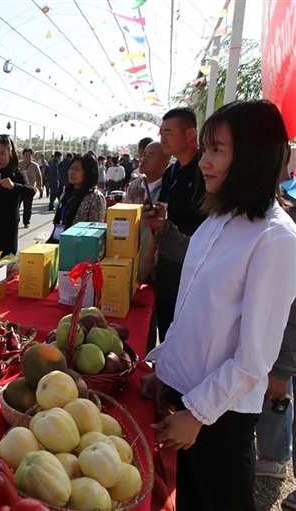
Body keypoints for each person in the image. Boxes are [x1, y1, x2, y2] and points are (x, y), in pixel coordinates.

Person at [143, 100, 296, 511]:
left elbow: (254, 359)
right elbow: (193, 314)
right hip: (188, 400)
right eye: (206, 149)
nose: (204, 162)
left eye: (217, 150)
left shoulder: (275, 238)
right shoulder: (217, 220)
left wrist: (197, 414)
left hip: (220, 418)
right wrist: (165, 372)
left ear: (252, 156)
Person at [144, 107, 206, 344]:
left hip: (195, 266)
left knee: (188, 336)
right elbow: (166, 215)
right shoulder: (172, 172)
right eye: (161, 132)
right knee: (166, 328)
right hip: (168, 264)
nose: (163, 138)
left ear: (190, 134)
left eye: (168, 132)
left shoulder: (205, 170)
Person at [254, 163, 296, 505]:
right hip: (281, 332)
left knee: (279, 393)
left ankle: (275, 456)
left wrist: (282, 367)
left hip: (288, 335)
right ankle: (274, 455)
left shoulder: (284, 228)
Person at [124, 141, 169, 287]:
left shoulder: (167, 190)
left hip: (153, 265)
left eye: (150, 156)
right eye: (144, 155)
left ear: (164, 164)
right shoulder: (134, 186)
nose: (144, 159)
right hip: (128, 257)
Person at [48, 154, 106, 243]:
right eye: (71, 168)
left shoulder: (95, 197)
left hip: (77, 246)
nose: (72, 172)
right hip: (58, 241)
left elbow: (95, 232)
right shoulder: (67, 192)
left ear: (87, 173)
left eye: (77, 169)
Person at [18, 148, 42, 228]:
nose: (27, 157)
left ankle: (26, 222)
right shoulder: (18, 165)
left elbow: (39, 176)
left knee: (28, 207)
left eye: (29, 155)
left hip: (29, 190)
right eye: (26, 155)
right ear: (23, 155)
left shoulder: (34, 165)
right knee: (16, 207)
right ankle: (16, 221)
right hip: (19, 189)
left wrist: (40, 186)